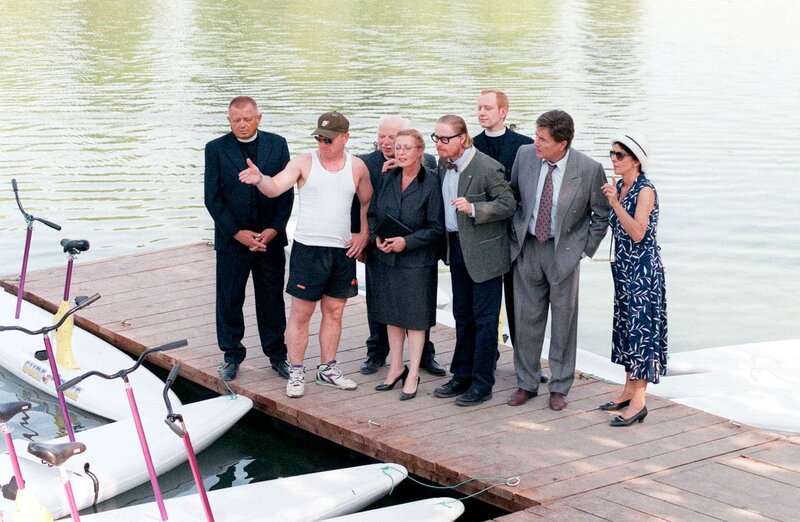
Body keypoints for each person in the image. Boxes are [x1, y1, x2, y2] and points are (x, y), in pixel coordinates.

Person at [238, 111, 373, 398]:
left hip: (341, 251)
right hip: (308, 249)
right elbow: (275, 188)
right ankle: (296, 370)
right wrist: (260, 178)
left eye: (328, 139)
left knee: (334, 312)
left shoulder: (357, 166)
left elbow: (366, 202)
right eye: (319, 138)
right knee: (301, 314)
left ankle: (327, 368)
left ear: (345, 137)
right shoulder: (304, 162)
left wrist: (363, 233)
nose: (322, 144)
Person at [508, 110, 610, 410]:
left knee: (564, 322)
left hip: (564, 253)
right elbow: (513, 195)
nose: (536, 143)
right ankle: (526, 383)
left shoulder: (589, 169)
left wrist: (582, 249)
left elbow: (600, 215)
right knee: (525, 319)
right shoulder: (524, 155)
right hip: (527, 248)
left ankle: (560, 386)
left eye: (543, 139)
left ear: (562, 143)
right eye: (536, 136)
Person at [204, 96, 294, 382]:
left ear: (259, 118)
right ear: (229, 120)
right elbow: (213, 198)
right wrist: (237, 233)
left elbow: (285, 192)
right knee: (230, 299)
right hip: (233, 240)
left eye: (247, 118)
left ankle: (277, 354)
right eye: (236, 119)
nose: (242, 124)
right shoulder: (216, 149)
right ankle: (231, 354)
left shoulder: (277, 144)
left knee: (271, 299)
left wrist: (275, 229)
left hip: (270, 239)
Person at [431, 115, 516, 406]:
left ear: (462, 138)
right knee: (462, 316)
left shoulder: (488, 168)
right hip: (455, 248)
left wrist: (474, 208)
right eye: (436, 138)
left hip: (485, 253)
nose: (439, 144)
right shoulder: (442, 164)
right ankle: (460, 374)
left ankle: (482, 383)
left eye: (445, 139)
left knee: (485, 320)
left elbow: (508, 204)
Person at [356, 116, 445, 377]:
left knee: (417, 311)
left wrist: (406, 241)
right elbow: (364, 209)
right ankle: (381, 357)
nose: (388, 143)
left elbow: (435, 223)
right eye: (383, 137)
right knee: (383, 306)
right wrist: (370, 239)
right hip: (381, 249)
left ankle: (421, 361)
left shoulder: (429, 171)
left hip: (416, 256)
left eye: (394, 139)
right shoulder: (371, 166)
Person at [472, 90, 542, 379]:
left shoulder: (525, 146)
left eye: (488, 108)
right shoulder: (471, 145)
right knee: (485, 305)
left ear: (504, 112)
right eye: (478, 108)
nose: (481, 112)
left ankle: (526, 365)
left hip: (516, 234)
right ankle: (486, 360)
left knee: (520, 304)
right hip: (481, 234)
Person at [599, 133, 666, 426]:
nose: (614, 159)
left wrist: (614, 204)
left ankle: (639, 402)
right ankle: (627, 391)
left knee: (642, 335)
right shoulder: (622, 186)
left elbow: (638, 232)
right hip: (624, 271)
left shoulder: (644, 190)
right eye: (612, 153)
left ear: (636, 161)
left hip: (643, 272)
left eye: (620, 155)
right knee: (626, 329)